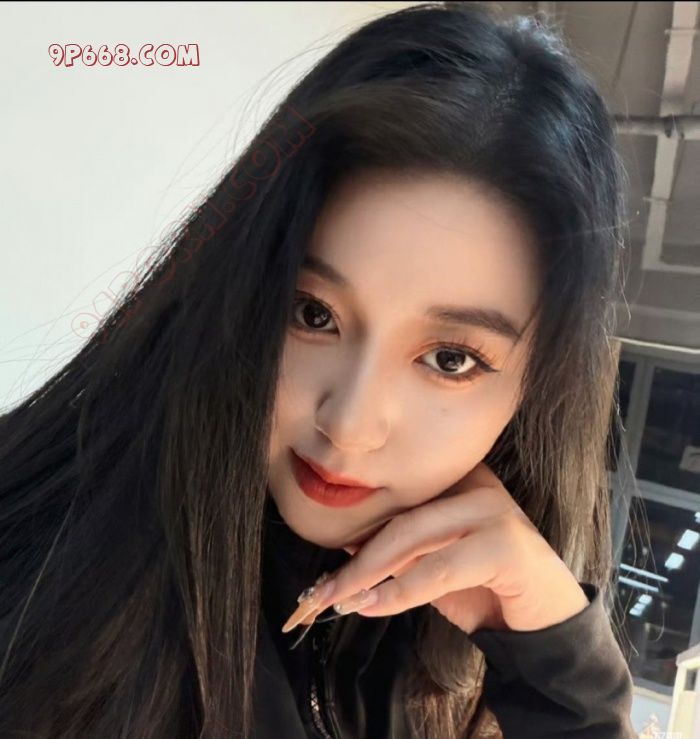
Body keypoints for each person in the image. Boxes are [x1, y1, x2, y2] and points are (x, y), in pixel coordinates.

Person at [0, 2, 639, 737]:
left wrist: (562, 676)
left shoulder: (447, 644)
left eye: (450, 359)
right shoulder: (41, 583)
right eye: (312, 313)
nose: (350, 425)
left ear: (530, 395)